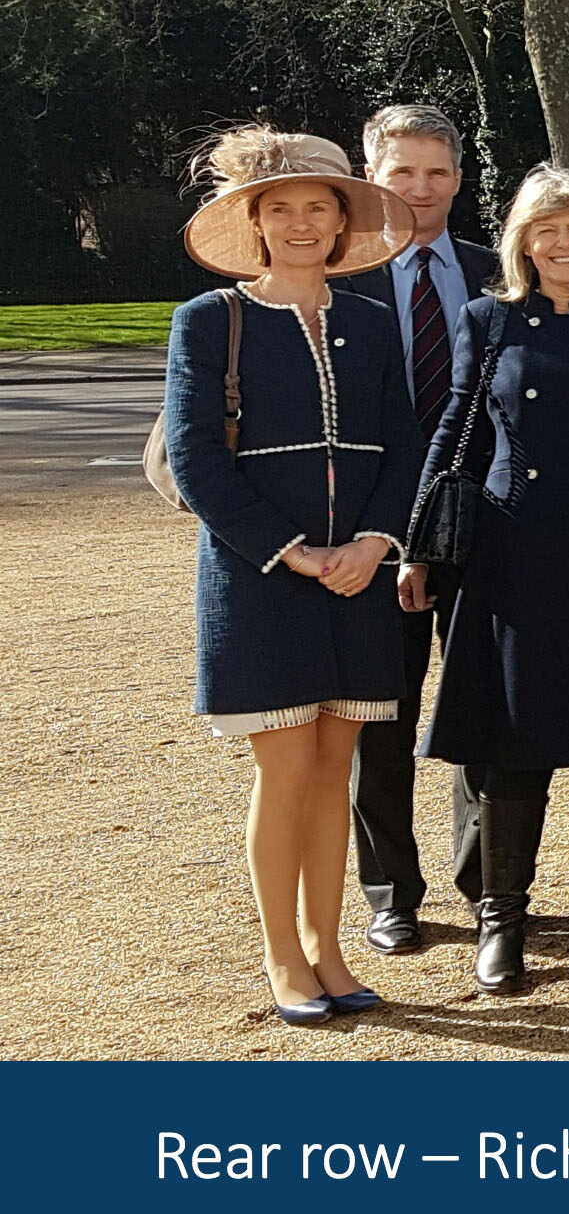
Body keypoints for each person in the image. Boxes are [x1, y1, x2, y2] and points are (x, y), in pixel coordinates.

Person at [163, 128, 420, 1025]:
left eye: (320, 208)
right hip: (262, 578)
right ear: (256, 223)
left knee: (337, 762)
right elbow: (197, 462)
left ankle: (330, 948)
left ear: (344, 221)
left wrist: (374, 544)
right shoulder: (209, 321)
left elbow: (406, 446)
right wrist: (298, 552)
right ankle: (283, 961)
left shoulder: (375, 321)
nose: (304, 223)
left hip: (360, 576)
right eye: (283, 210)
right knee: (285, 766)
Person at [398, 167, 569, 992]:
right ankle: (501, 917)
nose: (564, 242)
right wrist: (419, 543)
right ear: (522, 241)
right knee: (515, 738)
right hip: (516, 556)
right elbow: (458, 430)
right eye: (546, 229)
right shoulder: (490, 319)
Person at [332, 105, 498, 954]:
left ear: (459, 180)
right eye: (403, 173)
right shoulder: (337, 278)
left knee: (478, 710)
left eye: (437, 173)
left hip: (480, 527)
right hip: (374, 531)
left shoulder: (495, 271)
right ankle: (393, 891)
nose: (422, 189)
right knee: (383, 718)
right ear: (373, 177)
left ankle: (485, 885)